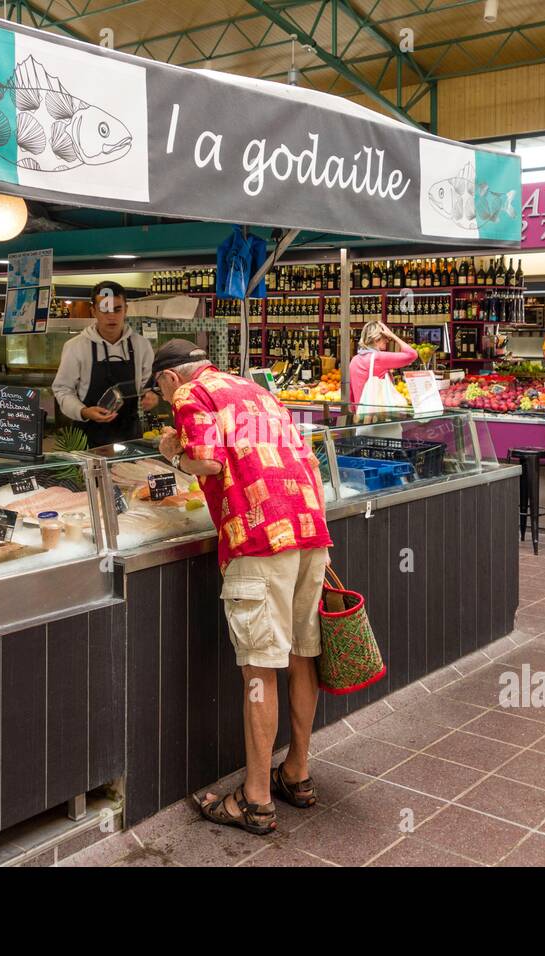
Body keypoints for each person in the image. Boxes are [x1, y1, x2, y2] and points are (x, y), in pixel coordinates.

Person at [152, 339, 333, 836]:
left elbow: (206, 462)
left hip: (258, 538)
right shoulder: (258, 391)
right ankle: (296, 772)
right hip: (308, 528)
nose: (170, 401)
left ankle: (254, 800)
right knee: (302, 654)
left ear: (170, 379)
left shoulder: (192, 394)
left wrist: (174, 451)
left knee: (260, 667)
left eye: (163, 393)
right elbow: (310, 462)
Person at [51, 280, 157, 446]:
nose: (111, 316)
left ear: (126, 310)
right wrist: (84, 411)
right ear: (93, 311)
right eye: (104, 310)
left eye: (117, 309)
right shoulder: (76, 346)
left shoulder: (141, 345)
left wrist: (152, 396)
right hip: (86, 437)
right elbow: (62, 390)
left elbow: (149, 385)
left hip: (130, 436)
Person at [349, 320, 417, 404]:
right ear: (376, 339)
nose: (387, 340)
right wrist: (393, 335)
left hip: (361, 412)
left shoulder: (354, 360)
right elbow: (412, 354)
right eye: (385, 337)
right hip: (378, 413)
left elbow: (351, 392)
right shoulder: (378, 358)